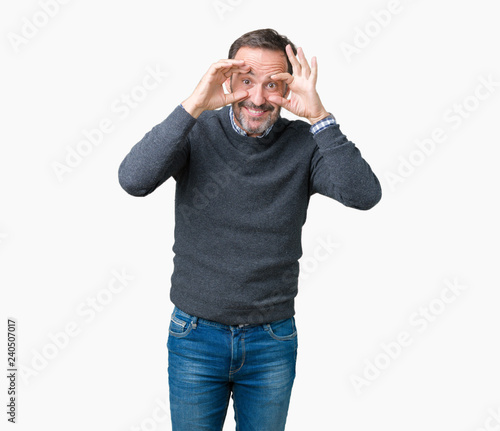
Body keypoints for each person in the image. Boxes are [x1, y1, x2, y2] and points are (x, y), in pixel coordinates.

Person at [118, 28, 382, 431]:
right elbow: (133, 180)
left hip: (271, 341)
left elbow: (364, 194)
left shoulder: (305, 143)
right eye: (247, 81)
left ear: (287, 88)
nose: (258, 99)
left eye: (273, 85)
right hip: (195, 336)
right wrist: (192, 106)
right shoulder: (197, 131)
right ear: (227, 81)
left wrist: (319, 117)